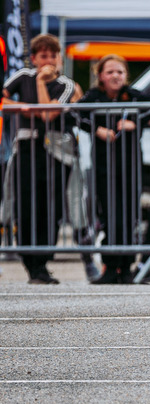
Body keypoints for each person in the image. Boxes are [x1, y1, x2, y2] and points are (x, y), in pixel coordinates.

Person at [1, 34, 79, 284]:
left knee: (50, 206)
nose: (48, 60)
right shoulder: (23, 76)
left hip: (55, 150)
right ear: (34, 58)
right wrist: (22, 106)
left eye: (53, 55)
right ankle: (29, 262)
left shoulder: (65, 84)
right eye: (43, 56)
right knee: (25, 204)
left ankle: (43, 262)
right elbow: (2, 96)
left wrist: (43, 83)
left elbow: (48, 115)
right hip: (26, 146)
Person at [78, 54, 150, 284]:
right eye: (110, 71)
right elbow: (76, 114)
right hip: (104, 166)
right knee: (109, 215)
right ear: (100, 76)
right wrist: (97, 129)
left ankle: (126, 267)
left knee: (129, 215)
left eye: (120, 72)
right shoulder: (93, 97)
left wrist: (136, 122)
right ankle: (110, 266)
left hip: (130, 165)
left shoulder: (133, 96)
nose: (115, 76)